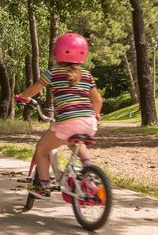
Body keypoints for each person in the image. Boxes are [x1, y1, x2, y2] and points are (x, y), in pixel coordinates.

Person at [14, 32, 103, 198]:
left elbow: (35, 89)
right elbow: (97, 100)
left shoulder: (53, 72)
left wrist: (23, 97)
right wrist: (96, 115)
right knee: (76, 142)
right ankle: (89, 170)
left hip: (68, 122)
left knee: (41, 149)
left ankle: (44, 187)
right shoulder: (87, 75)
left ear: (57, 52)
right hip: (89, 122)